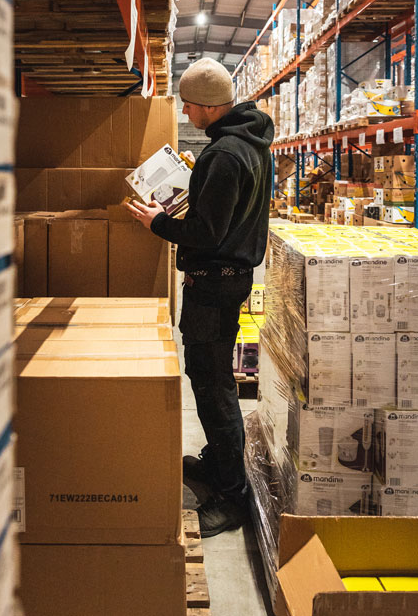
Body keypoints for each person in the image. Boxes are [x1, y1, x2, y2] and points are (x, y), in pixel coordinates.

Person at [125, 57, 274, 537]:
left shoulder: (225, 154)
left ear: (207, 106)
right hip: (227, 277)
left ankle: (231, 496)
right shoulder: (250, 144)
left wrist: (157, 223)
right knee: (209, 378)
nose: (186, 114)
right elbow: (220, 216)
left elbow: (207, 233)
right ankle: (218, 463)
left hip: (214, 282)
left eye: (188, 106)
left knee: (213, 388)